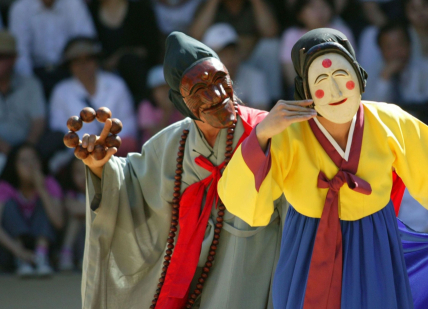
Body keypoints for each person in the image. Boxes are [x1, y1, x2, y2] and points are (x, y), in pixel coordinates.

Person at [218, 28, 428, 308]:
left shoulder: (388, 121)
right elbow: (244, 200)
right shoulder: (287, 132)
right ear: (306, 90)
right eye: (322, 82)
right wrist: (261, 135)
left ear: (359, 74)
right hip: (308, 244)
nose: (336, 90)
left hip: (373, 239)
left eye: (342, 74)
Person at [76, 32, 285, 309]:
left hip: (247, 269)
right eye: (200, 90)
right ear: (181, 103)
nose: (219, 95)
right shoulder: (175, 141)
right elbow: (132, 183)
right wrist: (100, 166)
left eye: (220, 80)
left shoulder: (266, 130)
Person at [189, 0, 282, 99]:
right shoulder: (209, 4)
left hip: (251, 59)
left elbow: (270, 32)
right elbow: (195, 36)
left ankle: (275, 99)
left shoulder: (255, 3)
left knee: (271, 46)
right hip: (220, 63)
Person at [8, 0, 96, 98]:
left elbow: (84, 45)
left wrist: (76, 77)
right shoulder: (21, 7)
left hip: (68, 71)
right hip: (35, 73)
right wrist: (30, 86)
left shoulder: (73, 3)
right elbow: (21, 53)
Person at [48, 37, 138, 156]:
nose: (83, 65)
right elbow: (59, 130)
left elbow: (129, 123)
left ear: (96, 61)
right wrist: (88, 144)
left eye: (88, 59)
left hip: (115, 151)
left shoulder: (116, 84)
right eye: (77, 61)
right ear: (70, 66)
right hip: (79, 155)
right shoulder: (61, 92)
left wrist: (106, 141)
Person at [0, 144, 63, 277]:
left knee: (45, 202)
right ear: (14, 165)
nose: (30, 165)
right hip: (12, 249)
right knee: (8, 204)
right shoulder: (3, 187)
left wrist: (41, 189)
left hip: (44, 245)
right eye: (23, 160)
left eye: (34, 159)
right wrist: (19, 251)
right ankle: (22, 261)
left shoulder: (49, 183)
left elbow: (58, 222)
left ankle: (41, 256)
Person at [89, 0, 160, 103]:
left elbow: (152, 49)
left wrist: (121, 55)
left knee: (129, 62)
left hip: (137, 76)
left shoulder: (140, 10)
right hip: (102, 75)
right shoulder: (91, 12)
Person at [0, 32, 47, 175]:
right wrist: (12, 154)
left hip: (29, 148)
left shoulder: (30, 84)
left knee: (58, 138)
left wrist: (26, 152)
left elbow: (38, 122)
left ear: (13, 59)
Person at [280, 0, 355, 94]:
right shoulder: (291, 35)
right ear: (300, 14)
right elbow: (290, 75)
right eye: (312, 7)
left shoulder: (341, 32)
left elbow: (349, 66)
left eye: (323, 6)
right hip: (304, 91)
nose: (319, 11)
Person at [203, 23, 271, 110]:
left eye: (233, 52)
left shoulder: (255, 76)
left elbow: (261, 114)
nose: (230, 58)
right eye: (223, 54)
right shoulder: (200, 82)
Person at [137, 65, 184, 146]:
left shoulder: (182, 104)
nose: (166, 92)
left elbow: (188, 129)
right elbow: (156, 136)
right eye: (161, 89)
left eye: (168, 87)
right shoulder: (146, 106)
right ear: (152, 92)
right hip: (153, 151)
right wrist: (167, 112)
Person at [57, 158, 87, 271]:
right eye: (79, 172)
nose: (84, 176)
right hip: (77, 244)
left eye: (89, 170)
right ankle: (66, 253)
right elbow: (73, 209)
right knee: (77, 218)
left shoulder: (103, 193)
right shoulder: (71, 194)